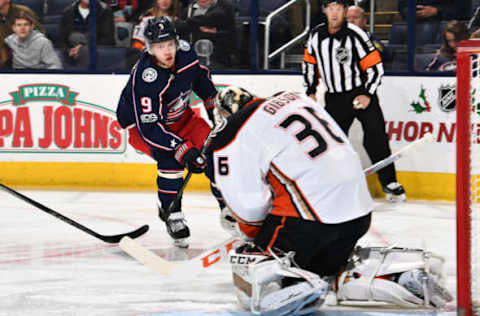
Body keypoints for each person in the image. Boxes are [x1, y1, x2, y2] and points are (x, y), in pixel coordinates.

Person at [210, 86, 452, 314]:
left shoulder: (233, 131)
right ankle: (392, 277)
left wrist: (250, 233)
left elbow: (248, 204)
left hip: (309, 223)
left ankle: (295, 285)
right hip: (358, 216)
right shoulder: (294, 98)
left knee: (251, 262)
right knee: (331, 270)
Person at [116, 17, 218, 248]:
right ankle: (172, 213)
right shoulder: (145, 78)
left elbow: (201, 81)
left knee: (215, 153)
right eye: (161, 47)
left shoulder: (185, 53)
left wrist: (215, 113)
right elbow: (150, 128)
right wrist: (183, 150)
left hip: (182, 116)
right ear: (150, 49)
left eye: (170, 44)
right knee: (171, 161)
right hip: (143, 128)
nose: (168, 51)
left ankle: (229, 209)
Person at [303, 0, 405, 201]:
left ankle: (389, 182)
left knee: (376, 137)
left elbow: (375, 68)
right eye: (331, 9)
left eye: (339, 10)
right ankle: (332, 183)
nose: (334, 14)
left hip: (360, 93)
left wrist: (367, 94)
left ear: (344, 12)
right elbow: (309, 64)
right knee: (331, 143)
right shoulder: (315, 35)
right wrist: (311, 90)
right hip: (334, 99)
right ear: (325, 11)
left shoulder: (356, 35)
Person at [174, 0, 237, 69]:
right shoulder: (189, 9)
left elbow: (210, 18)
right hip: (190, 58)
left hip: (217, 60)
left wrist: (190, 26)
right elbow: (181, 29)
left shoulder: (224, 8)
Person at [57, 0, 115, 68]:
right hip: (71, 56)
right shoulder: (68, 11)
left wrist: (83, 48)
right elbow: (61, 39)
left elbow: (108, 39)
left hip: (96, 56)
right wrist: (69, 50)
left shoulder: (104, 11)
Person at [397, 0, 471, 22]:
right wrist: (408, 11)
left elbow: (463, 11)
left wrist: (437, 11)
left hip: (443, 24)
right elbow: (402, 6)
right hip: (414, 24)